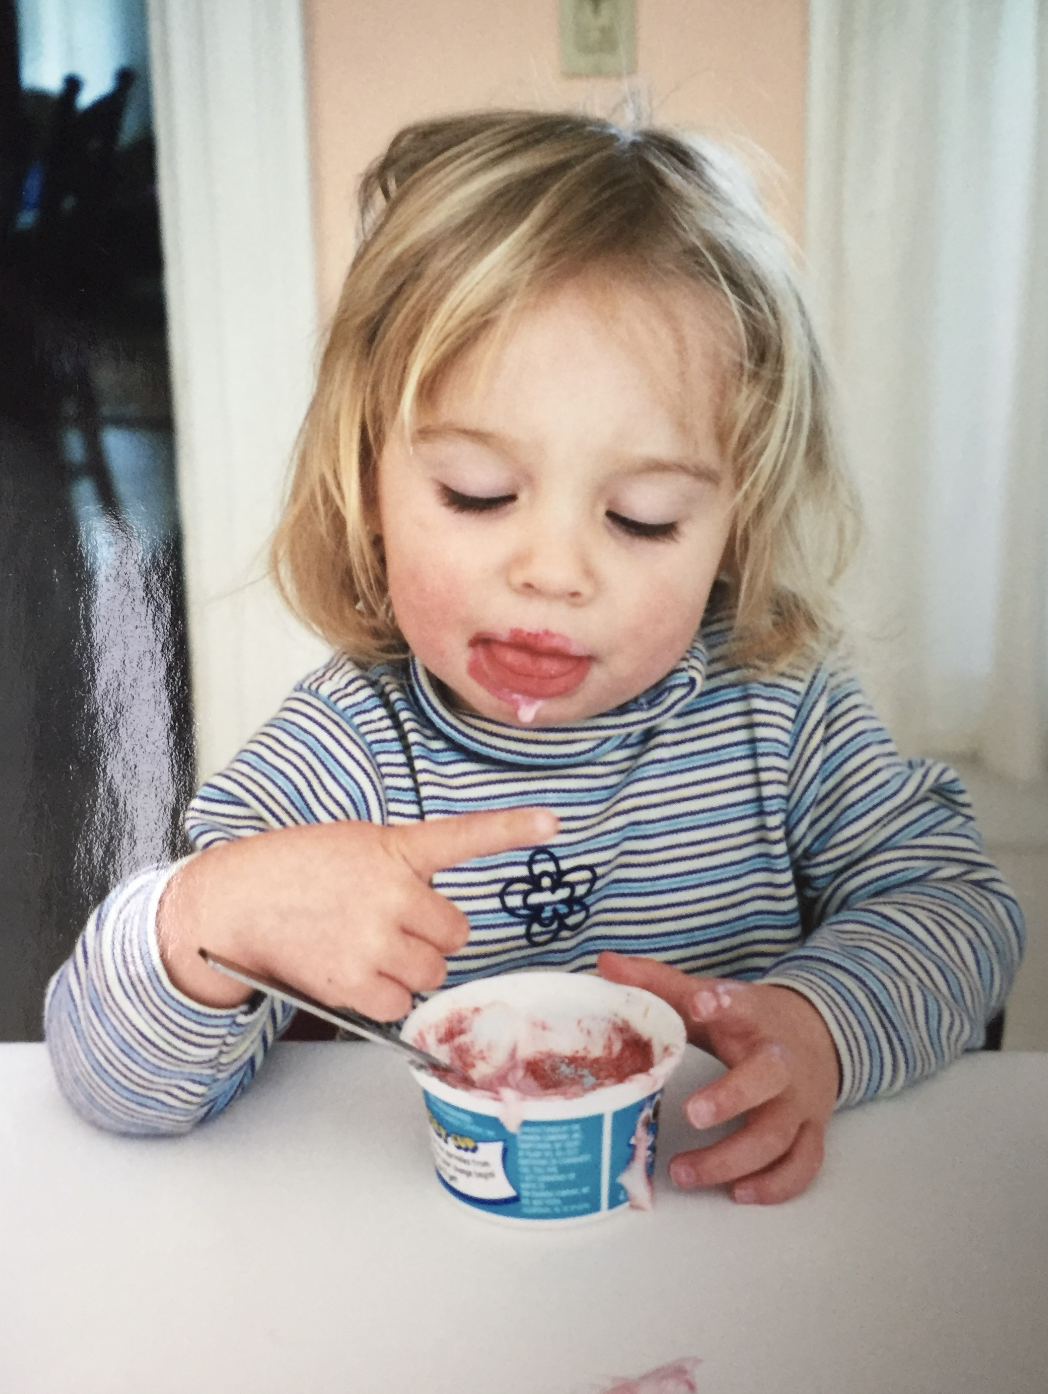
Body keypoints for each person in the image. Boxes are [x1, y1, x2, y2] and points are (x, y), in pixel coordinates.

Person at [45, 110, 1024, 1205]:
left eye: (644, 516)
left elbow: (958, 905)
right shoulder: (345, 750)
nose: (553, 571)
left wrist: (822, 1024)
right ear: (368, 484)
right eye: (477, 492)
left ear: (732, 528)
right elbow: (104, 1077)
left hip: (735, 1246)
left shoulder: (779, 710)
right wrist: (205, 918)